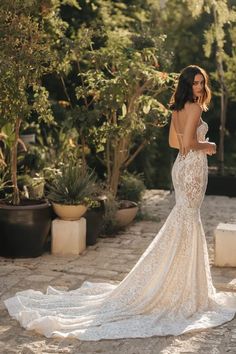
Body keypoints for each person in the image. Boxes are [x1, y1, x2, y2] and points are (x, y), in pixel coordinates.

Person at [4, 65, 236, 341]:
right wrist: (207, 146)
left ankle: (181, 281)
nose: (199, 87)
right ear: (188, 85)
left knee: (184, 219)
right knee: (187, 219)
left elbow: (175, 144)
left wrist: (192, 144)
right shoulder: (195, 109)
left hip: (181, 167)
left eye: (202, 82)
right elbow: (186, 142)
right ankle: (184, 287)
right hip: (192, 168)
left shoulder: (177, 108)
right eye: (195, 83)